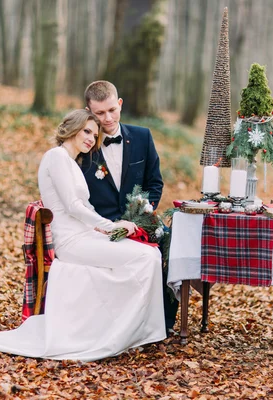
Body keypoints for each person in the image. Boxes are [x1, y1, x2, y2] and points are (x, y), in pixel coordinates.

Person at [0, 110, 166, 361]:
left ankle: (139, 329)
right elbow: (71, 206)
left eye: (95, 135)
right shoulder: (55, 157)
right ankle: (124, 332)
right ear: (73, 128)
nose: (91, 139)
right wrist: (107, 227)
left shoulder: (73, 162)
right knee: (145, 257)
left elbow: (85, 207)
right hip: (71, 241)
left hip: (86, 235)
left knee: (151, 253)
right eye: (87, 131)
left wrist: (114, 225)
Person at [81, 81, 179, 334]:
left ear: (120, 104)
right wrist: (106, 224)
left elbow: (155, 182)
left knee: (171, 247)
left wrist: (143, 213)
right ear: (89, 112)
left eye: (112, 110)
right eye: (100, 114)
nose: (108, 118)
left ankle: (164, 323)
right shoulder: (83, 147)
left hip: (140, 219)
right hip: (102, 225)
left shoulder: (142, 137)